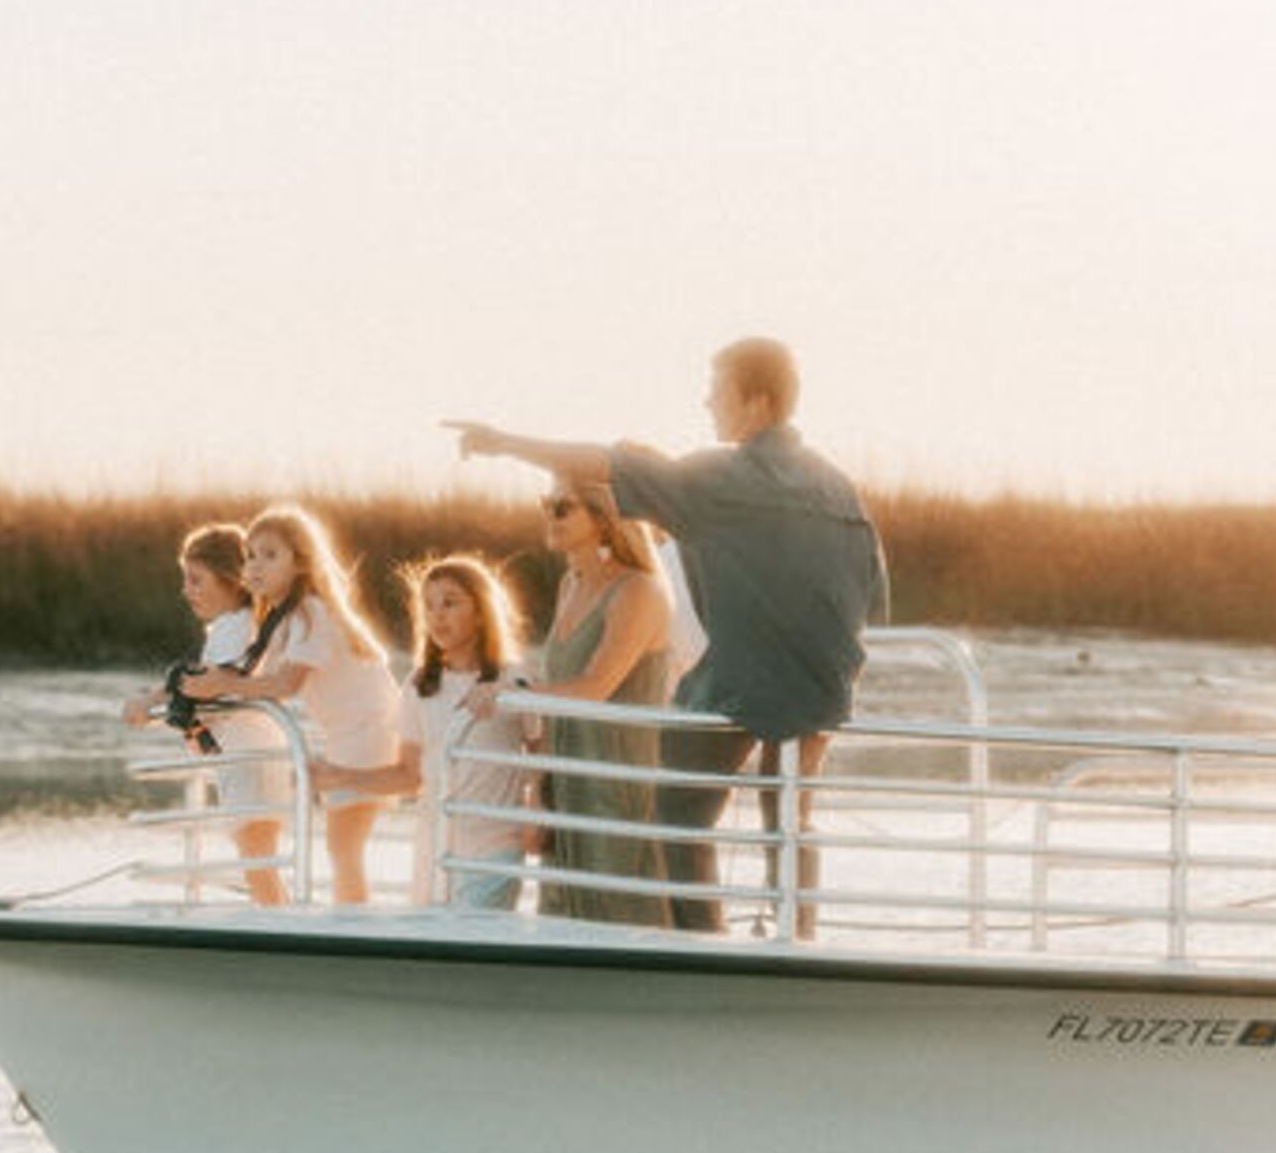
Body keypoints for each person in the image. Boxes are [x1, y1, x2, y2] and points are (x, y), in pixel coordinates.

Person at [447, 336, 888, 933]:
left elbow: (601, 463)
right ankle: (798, 939)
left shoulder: (720, 480)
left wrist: (503, 443)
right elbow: (873, 594)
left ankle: (701, 943)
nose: (707, 404)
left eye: (716, 392)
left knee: (673, 811)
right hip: (826, 682)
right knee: (789, 818)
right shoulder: (840, 488)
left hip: (742, 685)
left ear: (755, 402)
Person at [186, 502, 401, 904]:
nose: (255, 566)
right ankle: (346, 919)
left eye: (270, 555)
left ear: (301, 563)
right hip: (349, 732)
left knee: (344, 844)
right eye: (250, 556)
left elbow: (283, 683)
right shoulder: (283, 618)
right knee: (343, 843)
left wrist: (219, 685)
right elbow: (253, 676)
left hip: (369, 728)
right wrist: (213, 689)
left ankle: (352, 927)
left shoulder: (309, 614)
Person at [319, 553, 542, 910]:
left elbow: (540, 751)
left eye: (450, 603)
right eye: (429, 606)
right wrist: (340, 776)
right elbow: (409, 776)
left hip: (494, 848)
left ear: (482, 612)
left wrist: (537, 812)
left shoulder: (512, 679)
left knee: (473, 944)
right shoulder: (421, 685)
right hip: (433, 848)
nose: (437, 615)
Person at [526, 482, 679, 922]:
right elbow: (555, 686)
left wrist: (508, 696)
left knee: (618, 904)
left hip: (612, 776)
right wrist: (538, 791)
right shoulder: (569, 584)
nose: (550, 517)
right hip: (566, 775)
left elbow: (595, 688)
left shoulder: (639, 591)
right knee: (558, 908)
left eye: (562, 507)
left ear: (604, 517)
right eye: (545, 504)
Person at [125, 522, 284, 896]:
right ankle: (276, 915)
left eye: (196, 580)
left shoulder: (238, 627)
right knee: (258, 859)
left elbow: (210, 686)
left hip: (250, 756)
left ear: (232, 580)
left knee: (256, 859)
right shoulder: (235, 627)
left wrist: (150, 702)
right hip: (249, 754)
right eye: (185, 580)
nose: (186, 591)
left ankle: (276, 922)